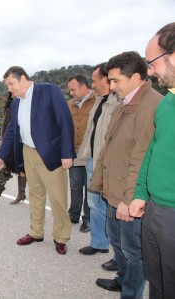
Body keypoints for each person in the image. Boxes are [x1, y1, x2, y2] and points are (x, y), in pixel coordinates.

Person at [90, 51, 163, 298]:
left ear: (136, 77)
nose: (111, 86)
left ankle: (131, 293)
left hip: (127, 196)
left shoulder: (150, 105)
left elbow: (141, 158)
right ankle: (122, 280)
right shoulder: (127, 101)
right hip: (113, 189)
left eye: (116, 80)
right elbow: (112, 145)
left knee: (133, 252)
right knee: (118, 244)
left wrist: (128, 198)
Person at [0, 66, 75, 255]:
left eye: (11, 84)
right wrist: (1, 155)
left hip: (50, 153)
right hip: (28, 152)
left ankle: (61, 237)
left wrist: (67, 153)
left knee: (57, 197)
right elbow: (12, 130)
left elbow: (65, 122)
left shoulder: (49, 91)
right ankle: (36, 232)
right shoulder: (15, 103)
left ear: (23, 78)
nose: (10, 89)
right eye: (8, 86)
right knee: (35, 195)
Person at [129, 22, 175, 299]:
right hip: (156, 212)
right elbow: (153, 150)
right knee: (157, 283)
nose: (149, 70)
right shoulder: (166, 103)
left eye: (153, 62)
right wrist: (140, 193)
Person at [76, 63, 120, 272]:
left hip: (110, 162)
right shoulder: (99, 101)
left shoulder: (119, 102)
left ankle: (120, 256)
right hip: (94, 158)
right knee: (94, 203)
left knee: (114, 207)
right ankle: (99, 243)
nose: (92, 85)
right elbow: (91, 132)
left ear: (107, 79)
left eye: (94, 80)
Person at [67, 75, 96, 233]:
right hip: (74, 152)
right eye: (69, 90)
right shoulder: (70, 105)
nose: (71, 93)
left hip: (91, 152)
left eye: (73, 89)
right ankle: (73, 214)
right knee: (75, 186)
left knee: (90, 188)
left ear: (84, 86)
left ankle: (88, 219)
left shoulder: (97, 102)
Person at [0, 92, 27, 205]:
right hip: (10, 138)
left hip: (20, 139)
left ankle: (22, 193)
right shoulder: (9, 106)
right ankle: (21, 193)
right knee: (17, 166)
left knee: (22, 167)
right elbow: (6, 125)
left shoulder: (24, 104)